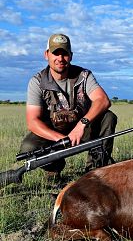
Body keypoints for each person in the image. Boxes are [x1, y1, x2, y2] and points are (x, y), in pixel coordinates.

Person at [20, 33, 117, 179]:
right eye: (55, 53)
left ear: (71, 55)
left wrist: (81, 125)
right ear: (46, 55)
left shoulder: (84, 75)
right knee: (28, 147)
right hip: (53, 134)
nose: (60, 58)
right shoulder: (37, 81)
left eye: (64, 53)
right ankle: (53, 169)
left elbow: (103, 100)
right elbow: (32, 122)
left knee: (108, 117)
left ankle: (95, 171)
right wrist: (60, 139)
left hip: (82, 130)